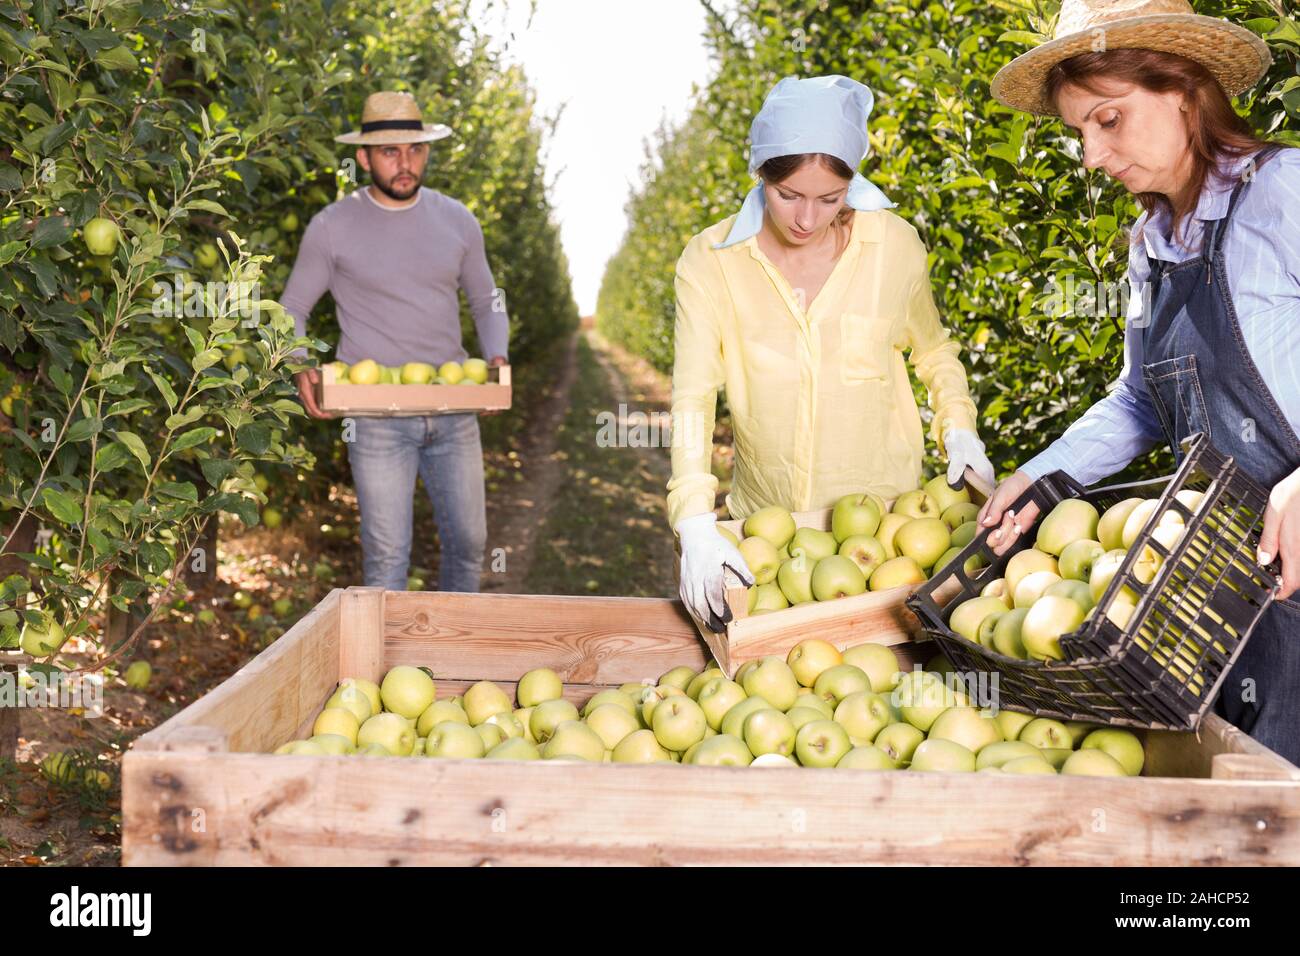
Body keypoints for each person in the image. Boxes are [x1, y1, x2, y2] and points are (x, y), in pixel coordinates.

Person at [981, 0, 1300, 763]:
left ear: (1183, 91)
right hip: (1222, 592)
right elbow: (1138, 400)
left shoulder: (1283, 192)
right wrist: (1039, 475)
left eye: (1108, 120)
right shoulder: (1149, 247)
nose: (1091, 155)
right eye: (1079, 132)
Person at [670, 75, 994, 632]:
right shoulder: (711, 262)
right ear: (760, 175)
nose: (805, 219)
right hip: (768, 533)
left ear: (853, 182)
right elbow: (693, 398)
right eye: (788, 195)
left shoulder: (893, 247)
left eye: (829, 199)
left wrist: (958, 425)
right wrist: (695, 516)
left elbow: (934, 350)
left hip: (888, 535)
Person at [282, 91, 509, 593]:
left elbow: (487, 299)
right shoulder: (332, 226)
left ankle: (452, 657)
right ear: (363, 157)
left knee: (470, 546)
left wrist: (497, 358)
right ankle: (382, 668)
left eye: (415, 150)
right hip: (376, 419)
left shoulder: (457, 220)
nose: (405, 163)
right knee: (387, 556)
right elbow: (291, 309)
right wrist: (300, 365)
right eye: (390, 152)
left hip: (454, 409)